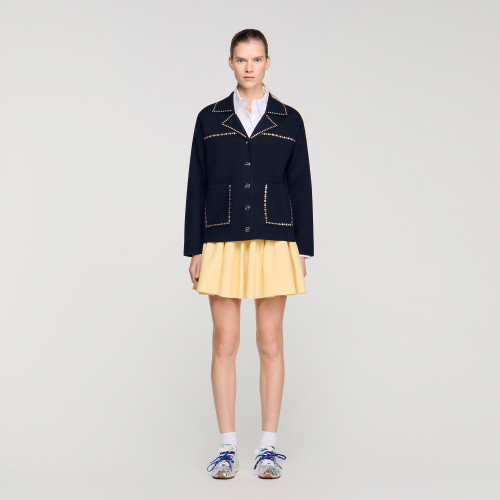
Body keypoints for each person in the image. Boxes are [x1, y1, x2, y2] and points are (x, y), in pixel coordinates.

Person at [183, 28, 314, 479]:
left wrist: (302, 249)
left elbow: (301, 185)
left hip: (275, 238)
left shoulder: (289, 120)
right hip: (220, 238)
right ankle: (227, 447)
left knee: (270, 341)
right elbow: (197, 183)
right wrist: (194, 248)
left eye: (257, 59)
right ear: (231, 63)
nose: (249, 67)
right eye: (242, 59)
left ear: (268, 62)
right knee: (225, 341)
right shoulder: (210, 118)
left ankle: (268, 448)